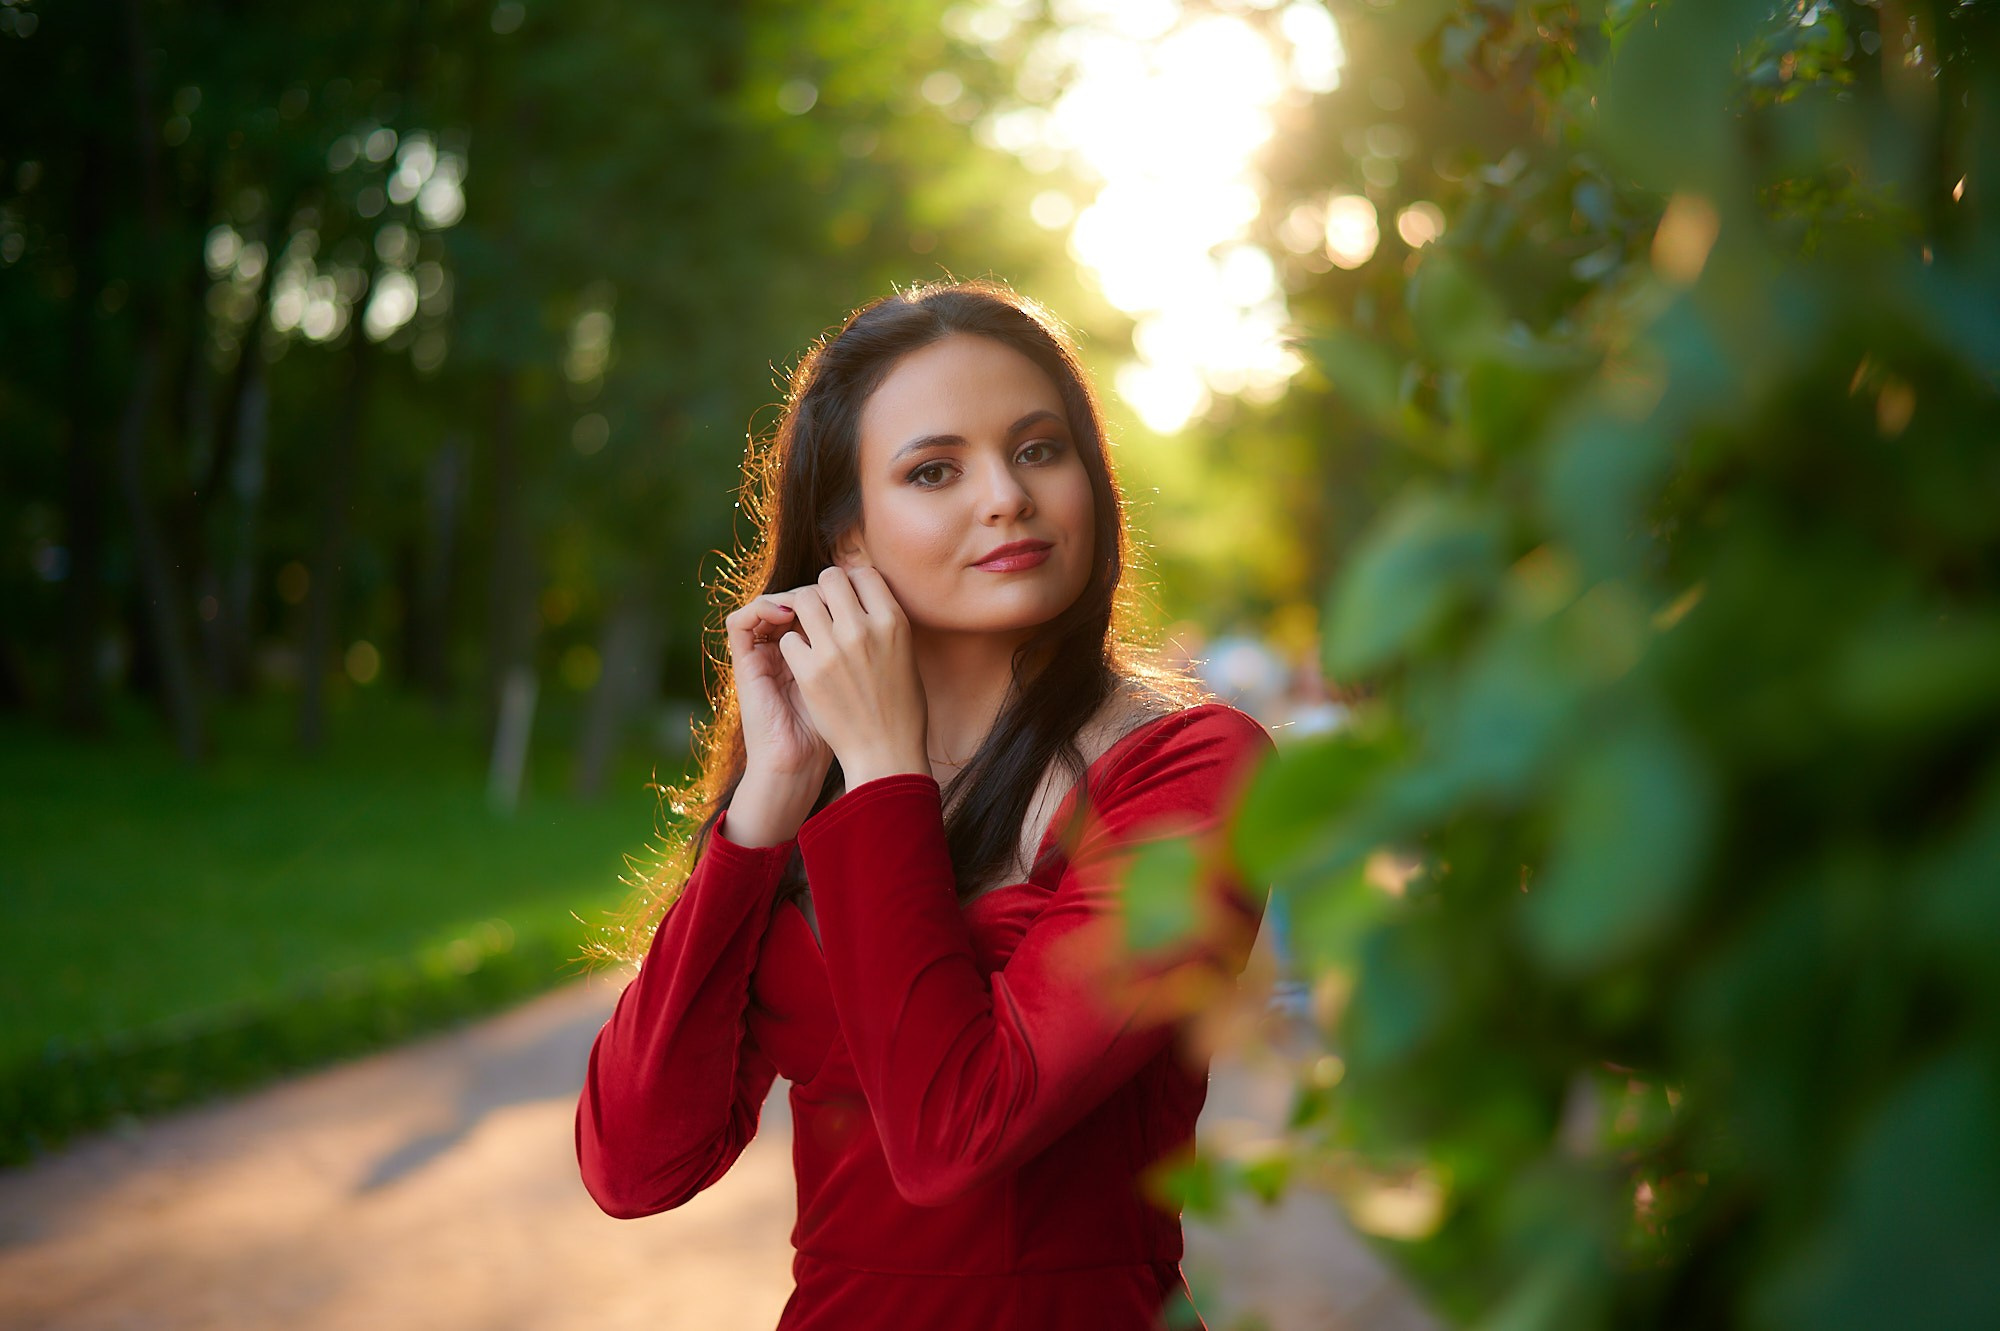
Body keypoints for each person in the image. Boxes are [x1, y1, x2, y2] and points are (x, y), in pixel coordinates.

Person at [574, 279, 1276, 1330]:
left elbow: (957, 1133)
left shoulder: (1190, 768)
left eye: (1038, 449)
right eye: (934, 469)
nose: (1005, 495)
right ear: (848, 538)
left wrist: (881, 770)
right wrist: (767, 800)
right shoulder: (811, 789)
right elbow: (633, 1163)